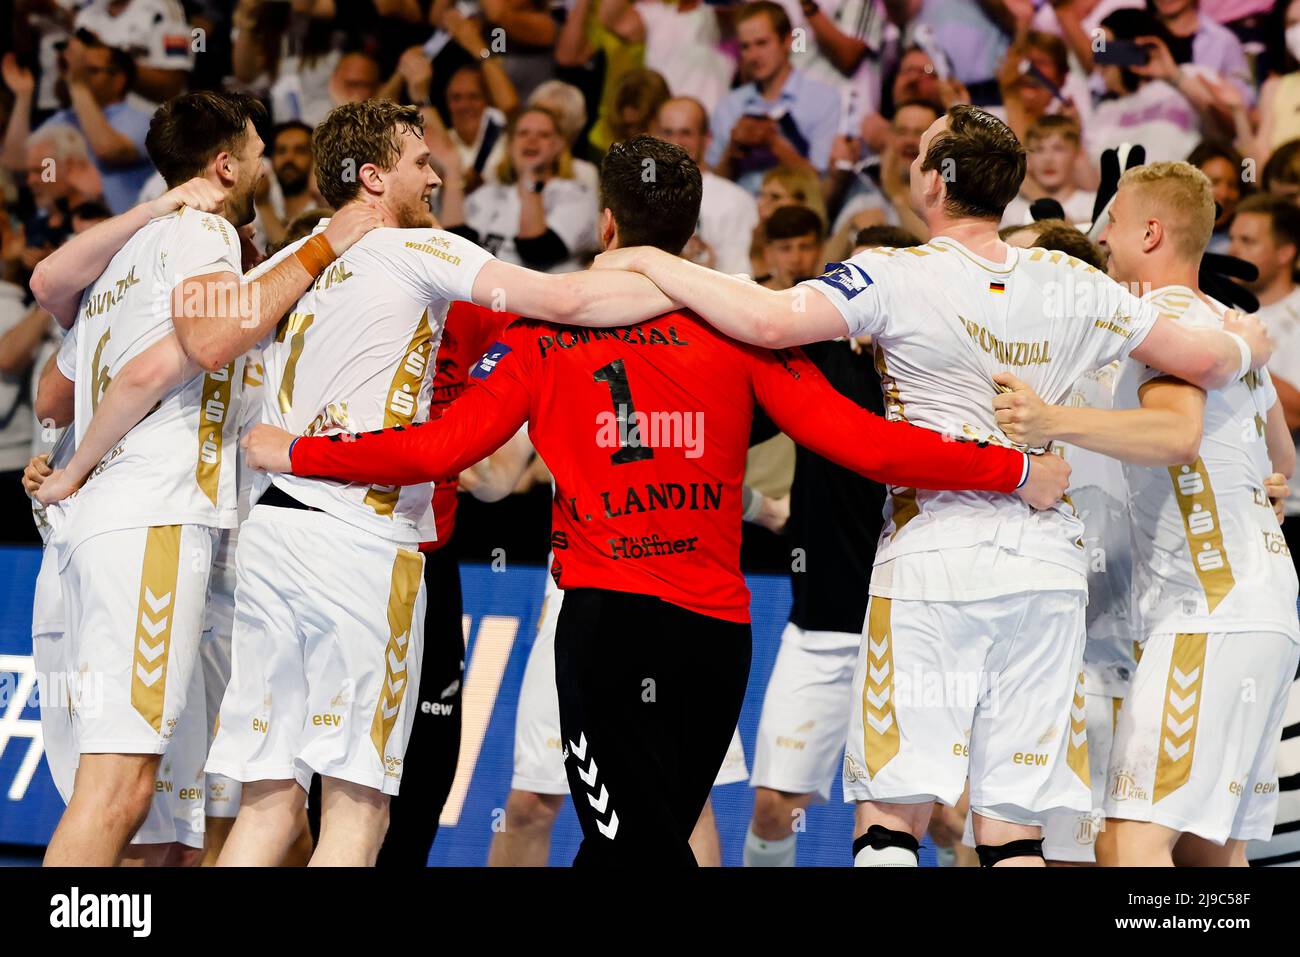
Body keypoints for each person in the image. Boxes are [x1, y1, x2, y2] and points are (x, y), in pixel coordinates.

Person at [241, 134, 1068, 867]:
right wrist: (1015, 470)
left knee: (635, 844)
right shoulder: (743, 331)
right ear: (692, 230)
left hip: (606, 625)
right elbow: (869, 444)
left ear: (605, 224)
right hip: (717, 636)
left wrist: (298, 450)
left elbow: (440, 450)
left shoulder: (544, 336)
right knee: (640, 838)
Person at [586, 104, 1275, 868]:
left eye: (918, 154)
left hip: (934, 558)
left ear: (937, 182)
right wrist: (1243, 341)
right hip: (1047, 571)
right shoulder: (1073, 280)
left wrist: (649, 257)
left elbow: (772, 319)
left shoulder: (895, 271)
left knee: (890, 814)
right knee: (1013, 830)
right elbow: (1207, 362)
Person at [26, 90, 378, 867]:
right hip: (155, 515)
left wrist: (76, 457)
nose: (261, 166)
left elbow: (57, 389)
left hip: (117, 530)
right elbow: (205, 342)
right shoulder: (201, 231)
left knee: (169, 813)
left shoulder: (128, 256)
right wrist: (321, 248)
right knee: (118, 792)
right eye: (255, 152)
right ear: (225, 165)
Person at [993, 162, 1299, 867]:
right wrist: (1260, 487)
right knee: (1208, 855)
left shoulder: (1165, 323)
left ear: (1151, 231)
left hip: (1210, 612)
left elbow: (1176, 435)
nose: (1102, 235)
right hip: (1259, 606)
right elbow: (1280, 456)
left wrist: (1048, 418)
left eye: (1115, 221)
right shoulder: (1223, 328)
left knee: (1130, 842)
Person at [743, 224, 908, 867]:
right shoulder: (812, 357)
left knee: (948, 817)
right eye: (855, 277)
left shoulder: (939, 368)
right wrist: (765, 509)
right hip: (822, 622)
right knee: (772, 808)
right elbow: (714, 437)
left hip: (916, 623)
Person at [3, 35, 154, 215]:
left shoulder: (141, 120)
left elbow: (108, 150)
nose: (75, 73)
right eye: (73, 68)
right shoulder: (62, 119)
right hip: (62, 230)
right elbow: (17, 164)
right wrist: (23, 96)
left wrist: (77, 84)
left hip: (119, 230)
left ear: (119, 79)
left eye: (89, 70)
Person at [1228, 194, 1300, 561]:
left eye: (1249, 241)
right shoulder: (1223, 308)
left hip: (1293, 503)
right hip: (1236, 502)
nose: (1233, 249)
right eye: (1233, 238)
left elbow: (1297, 413)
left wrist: (1237, 356)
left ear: (1286, 253)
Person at [706, 1, 840, 191]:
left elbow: (821, 184)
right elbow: (714, 185)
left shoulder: (822, 99)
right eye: (745, 47)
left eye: (762, 43)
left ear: (787, 41)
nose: (753, 55)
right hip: (739, 211)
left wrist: (773, 143)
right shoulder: (729, 104)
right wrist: (733, 149)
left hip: (794, 214)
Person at [451, 106, 599, 273]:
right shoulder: (489, 193)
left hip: (542, 295)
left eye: (543, 135)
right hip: (484, 293)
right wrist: (450, 166)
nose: (532, 141)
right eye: (523, 133)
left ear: (559, 146)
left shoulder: (575, 195)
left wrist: (529, 176)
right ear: (510, 145)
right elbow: (453, 247)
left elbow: (538, 252)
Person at [651, 96, 758, 276]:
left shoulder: (735, 201)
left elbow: (741, 277)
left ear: (706, 138)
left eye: (686, 133)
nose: (675, 142)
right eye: (667, 132)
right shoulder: (639, 194)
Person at [1000, 116, 1096, 228]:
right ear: (1028, 158)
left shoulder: (1094, 205)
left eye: (1058, 149)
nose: (1048, 159)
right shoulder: (1010, 211)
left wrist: (1035, 193)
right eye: (1039, 150)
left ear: (1077, 155)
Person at [756, 205, 824, 290]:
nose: (795, 259)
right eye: (785, 248)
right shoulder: (748, 299)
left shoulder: (836, 300)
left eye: (805, 247)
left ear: (820, 250)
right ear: (768, 254)